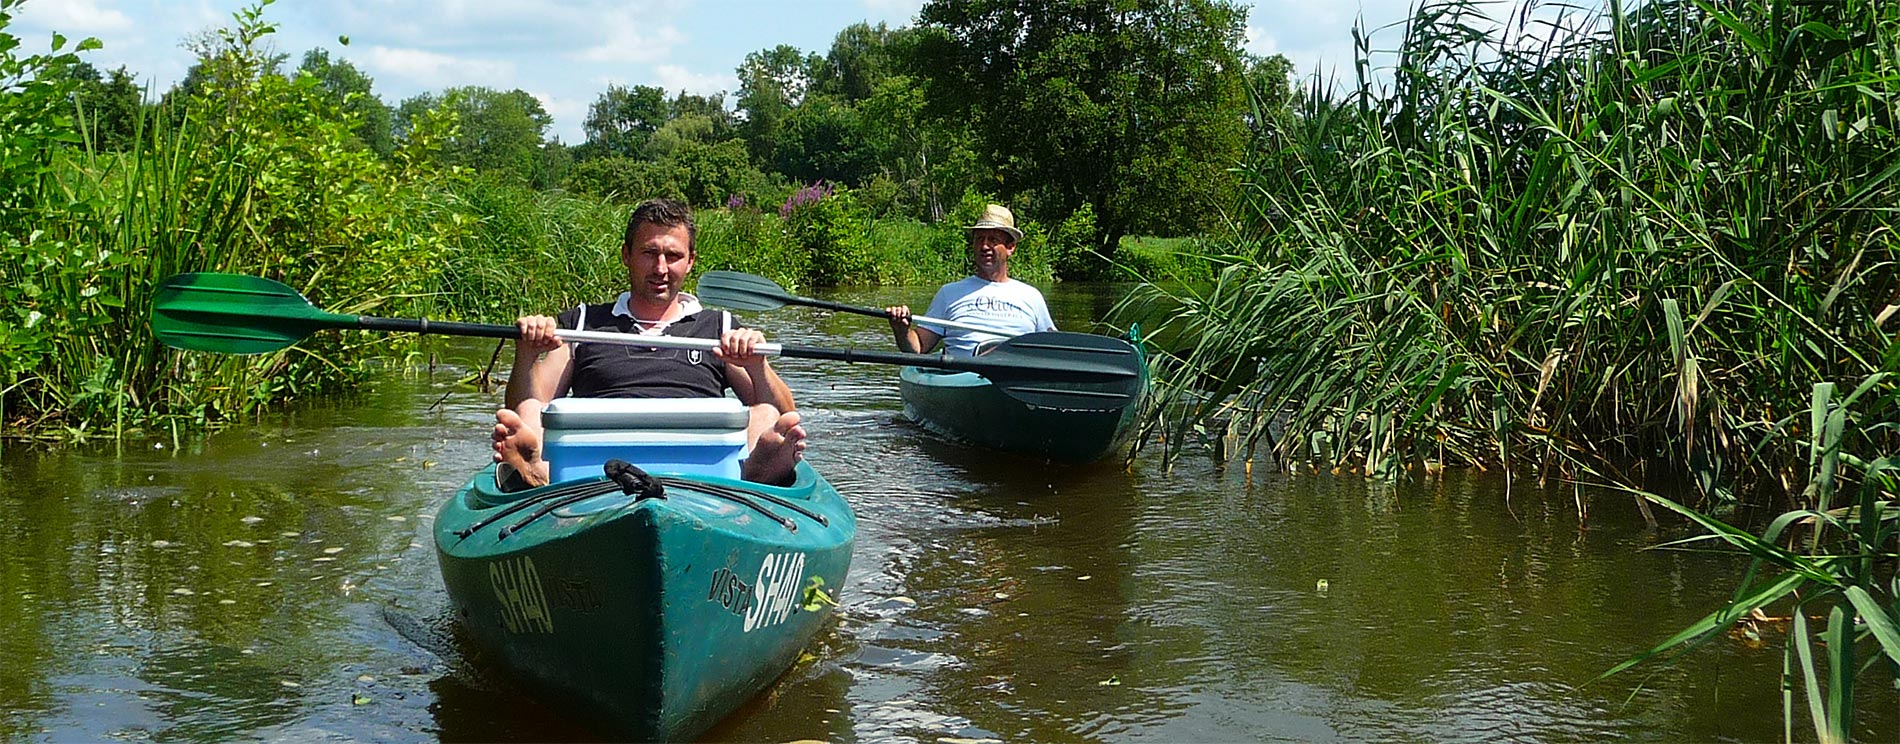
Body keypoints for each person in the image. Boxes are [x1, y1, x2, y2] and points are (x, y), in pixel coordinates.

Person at [492, 198, 807, 489]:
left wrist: (758, 365)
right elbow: (524, 407)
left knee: (764, 413)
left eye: (673, 256)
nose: (661, 269)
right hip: (592, 472)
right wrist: (526, 356)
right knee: (531, 409)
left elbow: (784, 417)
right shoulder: (582, 323)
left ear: (690, 262)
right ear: (626, 255)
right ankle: (536, 471)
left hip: (705, 476)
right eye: (649, 253)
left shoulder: (719, 327)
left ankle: (755, 472)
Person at [886, 204, 1056, 356]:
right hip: (962, 377)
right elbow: (919, 347)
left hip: (1014, 376)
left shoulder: (1031, 296)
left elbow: (1053, 348)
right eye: (980, 239)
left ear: (1010, 247)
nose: (984, 247)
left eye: (993, 240)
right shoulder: (949, 293)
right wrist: (902, 330)